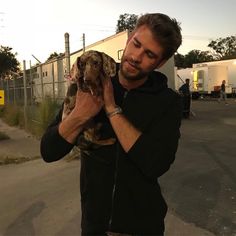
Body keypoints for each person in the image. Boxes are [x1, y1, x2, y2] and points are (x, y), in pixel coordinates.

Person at [40, 13, 182, 235]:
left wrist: (110, 108)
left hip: (143, 226)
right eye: (136, 44)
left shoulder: (168, 102)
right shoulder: (90, 83)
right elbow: (49, 151)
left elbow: (156, 164)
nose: (136, 57)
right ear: (128, 40)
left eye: (149, 54)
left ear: (160, 62)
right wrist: (80, 114)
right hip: (94, 225)